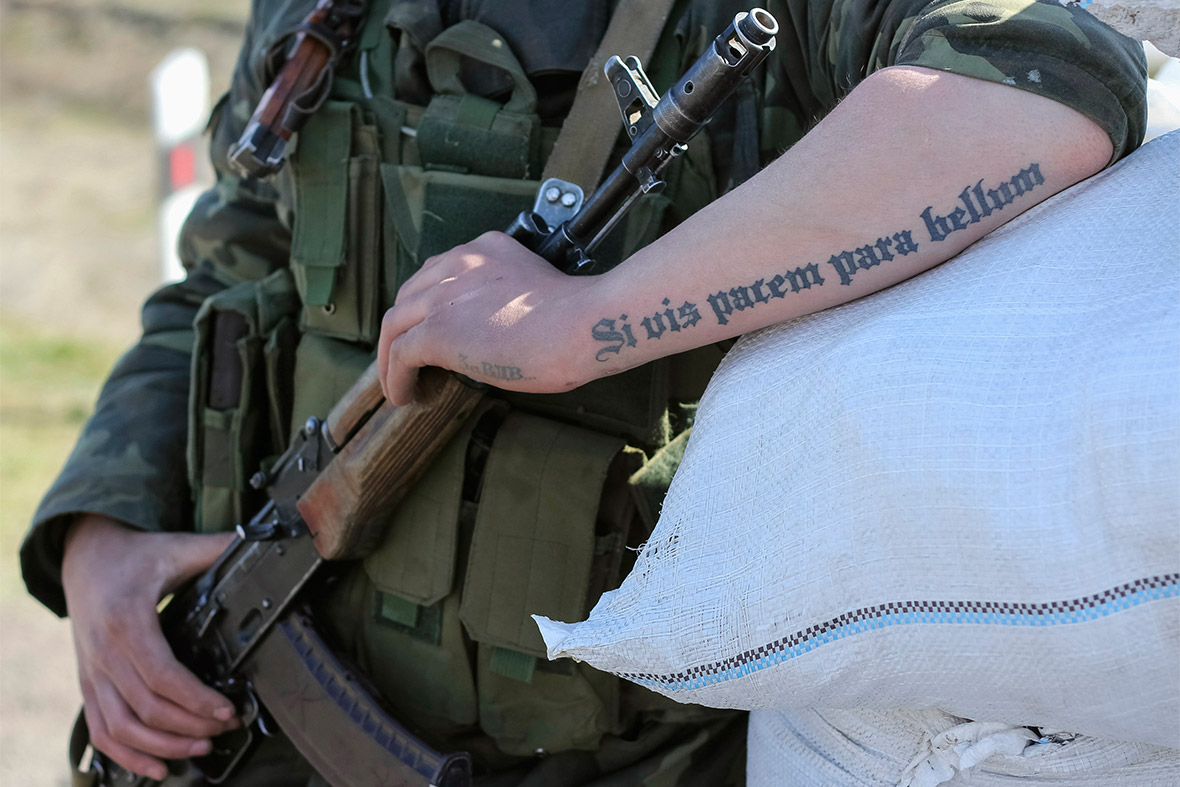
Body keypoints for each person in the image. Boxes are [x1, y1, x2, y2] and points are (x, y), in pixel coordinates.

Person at [21, 0, 1146, 784]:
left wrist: (587, 320)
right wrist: (101, 533)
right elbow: (227, 272)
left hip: (653, 752)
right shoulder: (326, 15)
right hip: (269, 704)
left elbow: (1043, 94)